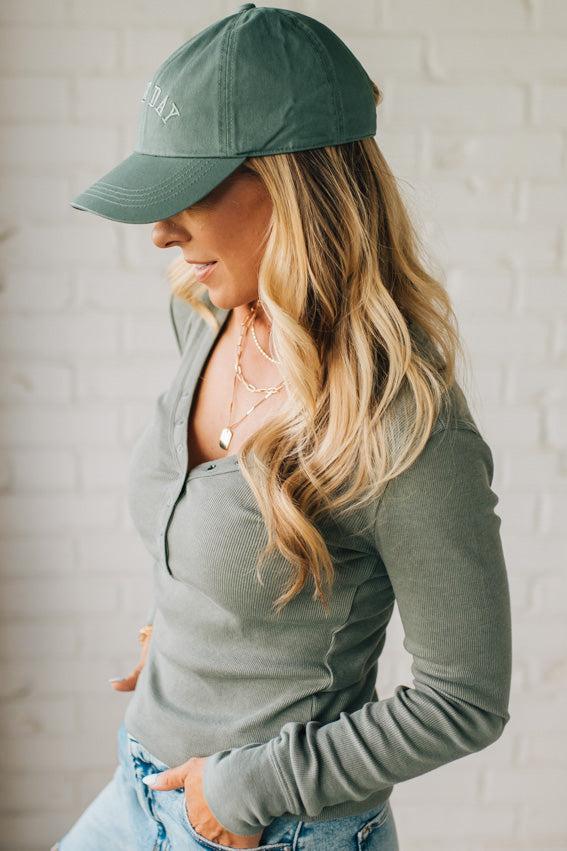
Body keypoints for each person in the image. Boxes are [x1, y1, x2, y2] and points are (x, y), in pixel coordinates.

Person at [52, 4, 512, 850]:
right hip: (137, 785)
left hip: (268, 827)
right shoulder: (204, 317)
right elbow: (225, 533)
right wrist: (191, 624)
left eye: (187, 190)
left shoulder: (405, 425)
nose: (159, 230)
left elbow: (464, 700)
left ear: (295, 184)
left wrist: (243, 786)